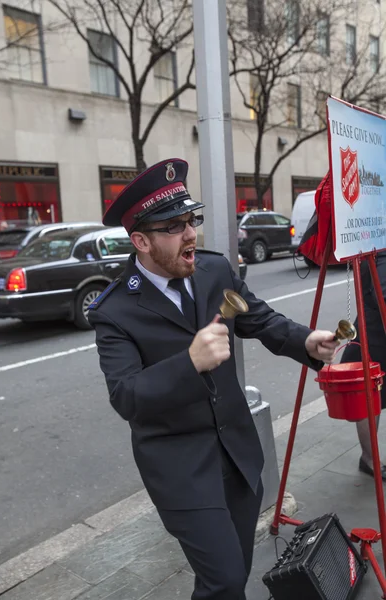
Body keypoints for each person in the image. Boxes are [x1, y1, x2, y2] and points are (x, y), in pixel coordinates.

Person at [88, 158, 338, 600]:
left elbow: (257, 317)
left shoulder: (212, 270)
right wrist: (190, 362)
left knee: (232, 573)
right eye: (173, 227)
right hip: (181, 469)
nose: (189, 234)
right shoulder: (114, 312)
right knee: (224, 580)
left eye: (191, 220)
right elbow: (126, 396)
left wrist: (306, 342)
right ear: (140, 241)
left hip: (239, 455)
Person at [340, 252, 386, 481]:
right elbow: (382, 295)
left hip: (375, 330)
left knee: (373, 397)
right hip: (376, 334)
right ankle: (369, 459)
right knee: (370, 396)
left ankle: (370, 458)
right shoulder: (381, 249)